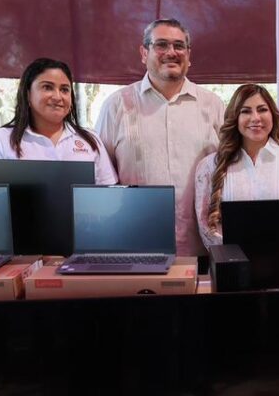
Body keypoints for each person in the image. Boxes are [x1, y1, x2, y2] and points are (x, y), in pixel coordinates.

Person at [95, 18, 225, 256]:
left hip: (203, 247)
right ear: (144, 53)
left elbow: (228, 171)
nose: (171, 53)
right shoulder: (117, 106)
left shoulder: (213, 105)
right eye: (161, 45)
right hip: (137, 245)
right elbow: (103, 180)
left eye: (179, 46)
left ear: (188, 54)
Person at [193, 84, 279, 249]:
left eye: (262, 109)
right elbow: (206, 229)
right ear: (235, 117)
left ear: (272, 115)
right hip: (230, 266)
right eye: (245, 111)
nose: (255, 118)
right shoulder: (209, 166)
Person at [0, 57, 117, 185]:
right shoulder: (2, 140)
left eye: (64, 90)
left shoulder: (90, 140)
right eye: (47, 87)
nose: (58, 96)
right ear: (28, 94)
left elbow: (108, 193)